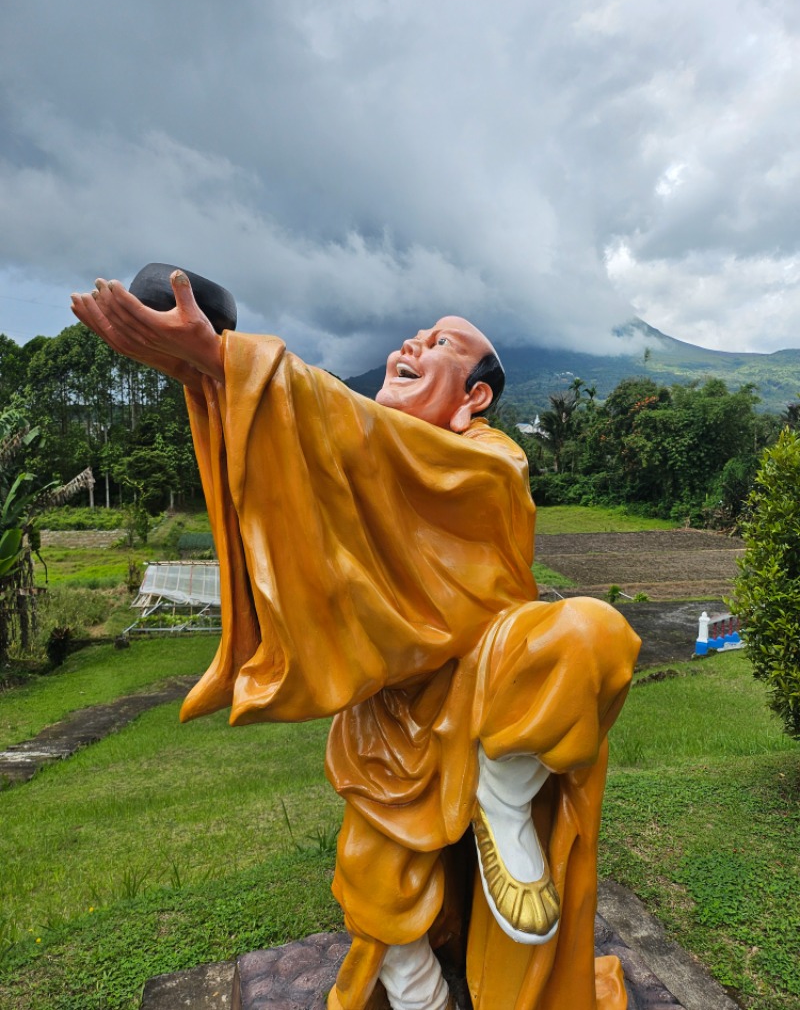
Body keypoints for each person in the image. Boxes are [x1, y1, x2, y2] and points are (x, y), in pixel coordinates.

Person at [72, 272, 640, 1010]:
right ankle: (421, 994)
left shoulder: (493, 461)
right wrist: (206, 375)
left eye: (440, 344)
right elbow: (301, 482)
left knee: (593, 631)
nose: (411, 342)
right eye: (418, 333)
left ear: (474, 399)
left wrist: (224, 359)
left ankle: (504, 796)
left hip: (489, 691)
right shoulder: (362, 464)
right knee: (373, 878)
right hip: (391, 720)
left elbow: (371, 439)